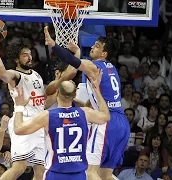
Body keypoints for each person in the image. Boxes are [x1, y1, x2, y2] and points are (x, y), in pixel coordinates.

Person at [44, 26, 130, 180]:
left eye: (97, 46)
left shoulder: (94, 66)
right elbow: (97, 100)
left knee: (89, 172)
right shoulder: (112, 69)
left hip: (107, 123)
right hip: (122, 123)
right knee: (105, 174)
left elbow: (72, 61)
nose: (92, 47)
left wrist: (53, 44)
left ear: (104, 53)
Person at [13, 73, 110, 179]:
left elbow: (18, 129)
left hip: (56, 174)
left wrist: (19, 107)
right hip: (78, 175)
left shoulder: (47, 116)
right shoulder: (85, 113)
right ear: (75, 95)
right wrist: (96, 90)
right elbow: (106, 116)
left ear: (57, 93)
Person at [0, 37, 46, 179]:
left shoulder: (36, 75)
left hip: (38, 124)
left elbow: (42, 102)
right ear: (17, 59)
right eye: (25, 55)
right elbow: (2, 74)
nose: (29, 57)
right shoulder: (16, 75)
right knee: (19, 167)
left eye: (30, 54)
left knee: (40, 170)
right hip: (22, 122)